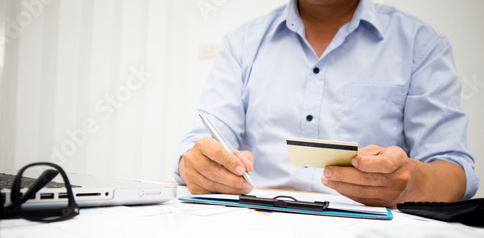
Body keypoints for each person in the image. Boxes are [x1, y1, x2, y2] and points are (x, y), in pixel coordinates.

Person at [174, 0, 479, 207]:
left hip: (370, 235)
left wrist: (413, 181)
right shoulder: (240, 43)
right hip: (256, 220)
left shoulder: (421, 45)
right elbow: (199, 147)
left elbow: (456, 171)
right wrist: (196, 165)